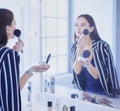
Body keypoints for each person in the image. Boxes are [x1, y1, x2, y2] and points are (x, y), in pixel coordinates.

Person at [0, 8, 50, 111]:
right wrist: (13, 56)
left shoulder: (7, 54)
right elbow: (12, 99)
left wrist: (31, 70)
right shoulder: (7, 55)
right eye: (14, 24)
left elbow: (11, 88)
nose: (15, 27)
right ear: (7, 29)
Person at [71, 14, 120, 97]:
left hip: (104, 94)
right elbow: (77, 71)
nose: (78, 28)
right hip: (84, 94)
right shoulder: (74, 47)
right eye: (76, 25)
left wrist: (87, 64)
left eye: (82, 25)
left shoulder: (102, 46)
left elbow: (97, 75)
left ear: (91, 29)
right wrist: (79, 48)